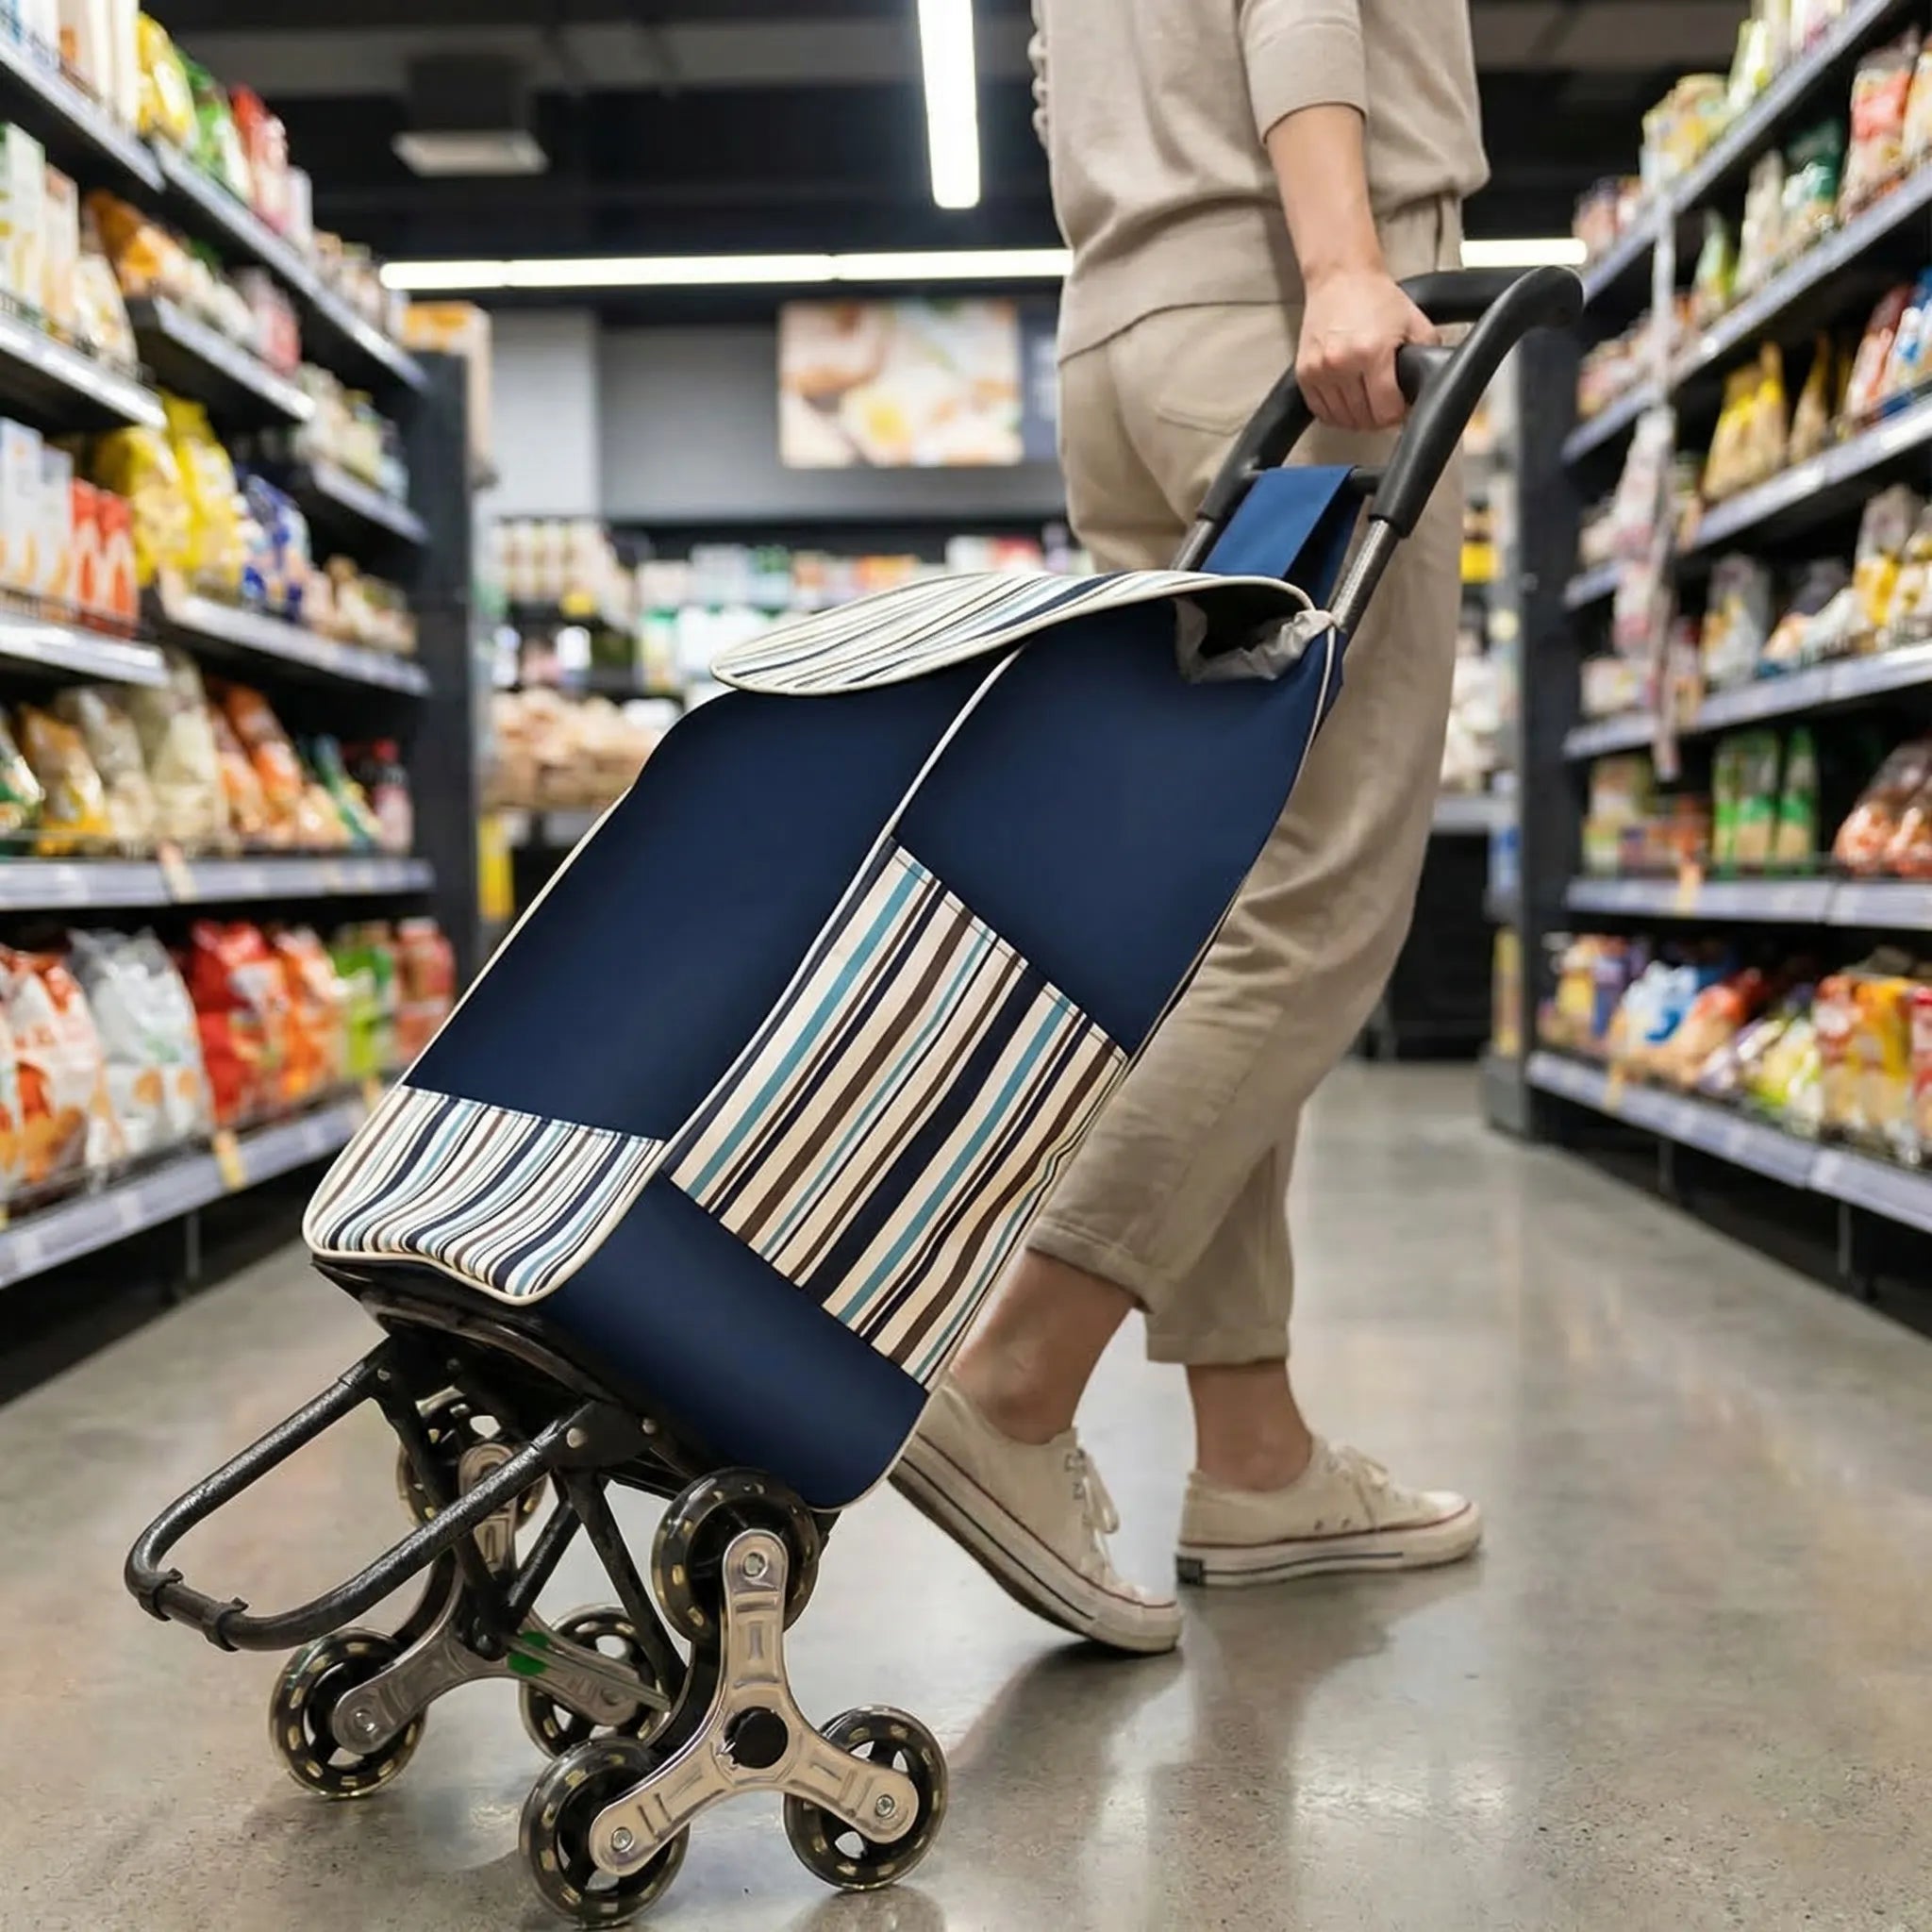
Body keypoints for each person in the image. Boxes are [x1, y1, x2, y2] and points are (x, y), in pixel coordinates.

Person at [891, 0, 1492, 1654]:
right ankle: (1017, 1380)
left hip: (1124, 337)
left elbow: (1056, 75)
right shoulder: (1329, 282)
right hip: (1303, 325)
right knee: (1320, 897)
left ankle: (1256, 1451)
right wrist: (1344, 259)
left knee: (1222, 903)